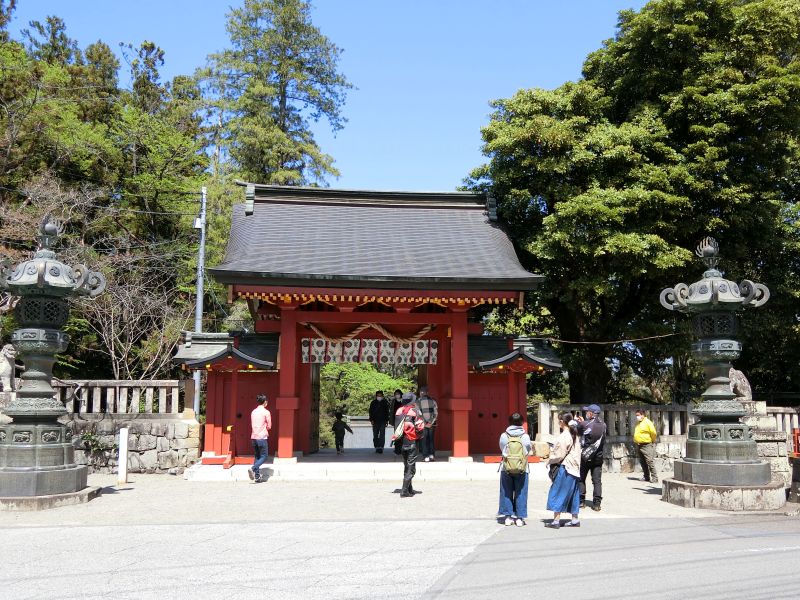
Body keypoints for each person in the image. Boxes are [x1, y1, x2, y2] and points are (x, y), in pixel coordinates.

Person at [545, 412, 582, 528]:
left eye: (558, 421)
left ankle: (556, 521)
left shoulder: (564, 436)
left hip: (566, 468)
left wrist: (549, 460)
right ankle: (575, 519)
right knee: (573, 494)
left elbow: (559, 455)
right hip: (575, 468)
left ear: (562, 422)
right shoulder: (574, 434)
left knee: (558, 492)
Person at [498, 412, 532, 527]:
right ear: (522, 422)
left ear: (509, 422)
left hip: (506, 467)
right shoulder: (525, 436)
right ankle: (519, 518)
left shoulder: (504, 436)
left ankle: (508, 517)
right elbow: (528, 450)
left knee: (506, 492)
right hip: (522, 468)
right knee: (521, 492)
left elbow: (502, 448)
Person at [391, 392, 424, 497]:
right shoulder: (415, 411)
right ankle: (404, 491)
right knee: (411, 468)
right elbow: (420, 427)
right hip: (412, 441)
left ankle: (409, 489)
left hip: (401, 442)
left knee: (406, 465)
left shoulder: (399, 410)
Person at [576, 403, 606, 512]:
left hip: (586, 456)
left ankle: (581, 501)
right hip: (598, 456)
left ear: (591, 413)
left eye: (587, 412)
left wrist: (578, 422)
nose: (586, 413)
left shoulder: (585, 424)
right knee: (597, 481)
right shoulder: (604, 425)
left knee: (581, 478)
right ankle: (597, 503)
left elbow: (578, 431)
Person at [249, 394, 271, 483]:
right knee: (264, 456)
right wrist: (265, 428)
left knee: (257, 456)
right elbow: (269, 426)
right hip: (262, 437)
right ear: (265, 402)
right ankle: (253, 468)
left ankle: (257, 477)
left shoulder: (253, 412)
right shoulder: (266, 412)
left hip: (254, 436)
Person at [634, 409, 659, 483]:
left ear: (642, 415)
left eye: (638, 415)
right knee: (642, 462)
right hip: (639, 444)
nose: (637, 417)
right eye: (636, 415)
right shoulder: (638, 423)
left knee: (649, 461)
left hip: (646, 445)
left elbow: (653, 433)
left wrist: (652, 441)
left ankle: (655, 478)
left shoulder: (648, 422)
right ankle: (646, 476)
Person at [418, 385, 438, 461]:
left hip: (423, 424)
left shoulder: (418, 401)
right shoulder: (433, 401)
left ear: (421, 393)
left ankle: (425, 456)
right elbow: (436, 413)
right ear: (427, 392)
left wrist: (424, 421)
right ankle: (431, 455)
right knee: (431, 439)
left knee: (424, 440)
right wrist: (430, 422)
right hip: (431, 424)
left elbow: (418, 414)